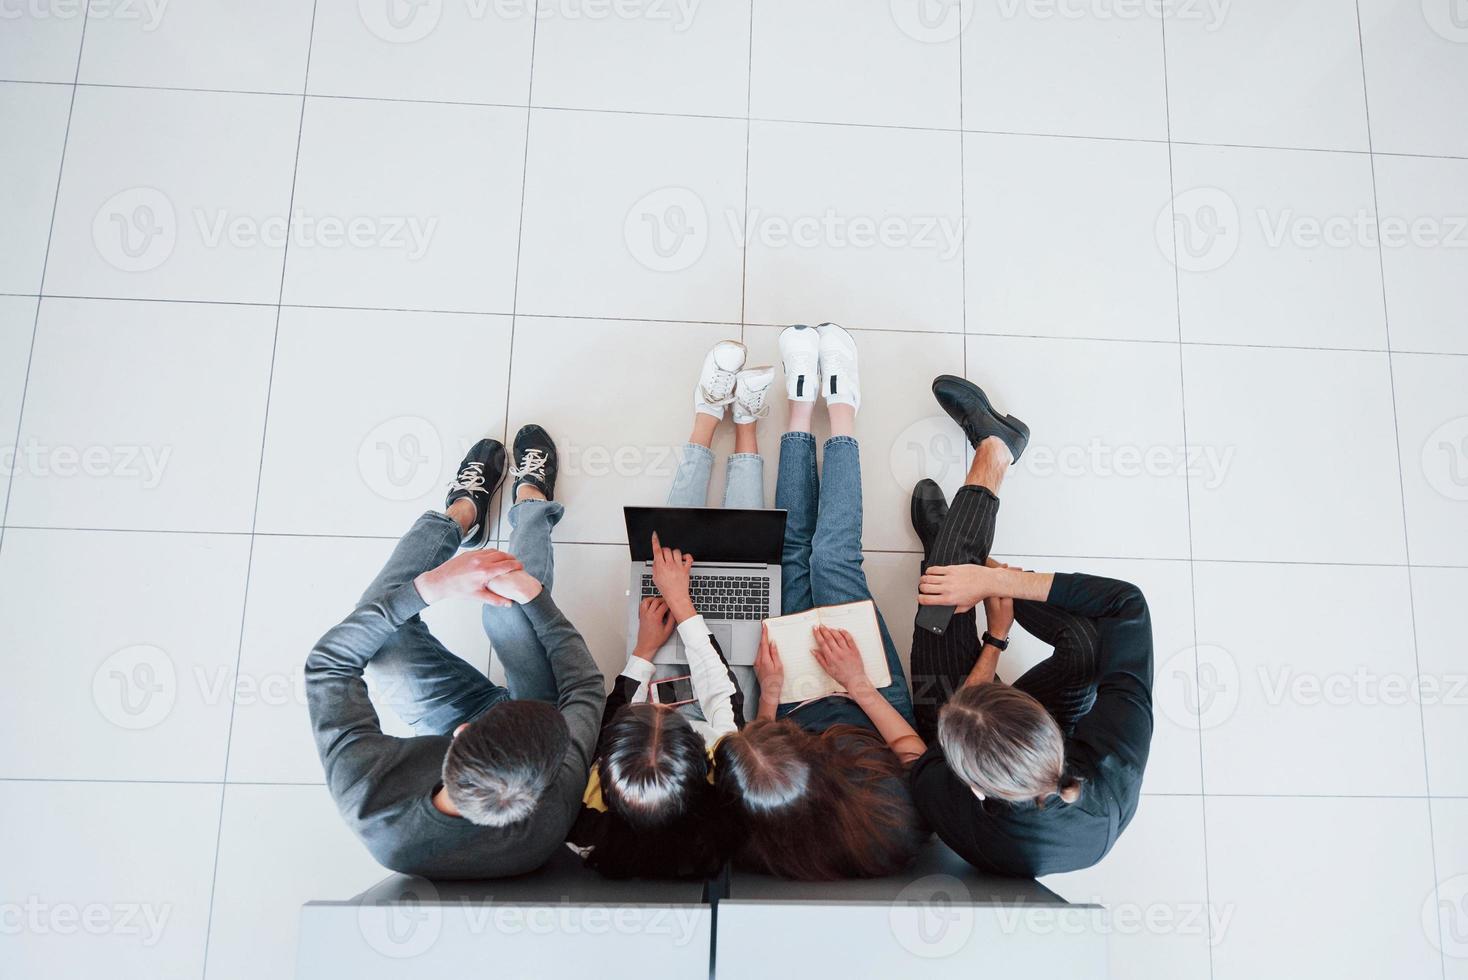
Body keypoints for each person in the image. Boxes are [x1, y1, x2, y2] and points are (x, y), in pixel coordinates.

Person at [305, 426, 604, 879]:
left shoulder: (368, 797)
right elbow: (584, 687)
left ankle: (459, 515)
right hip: (528, 715)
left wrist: (430, 588)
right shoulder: (551, 805)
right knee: (510, 609)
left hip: (449, 725)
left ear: (462, 734)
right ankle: (530, 502)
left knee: (382, 638)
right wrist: (533, 596)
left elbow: (327, 665)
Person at [906, 375, 1154, 877]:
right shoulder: (1117, 756)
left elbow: (937, 744)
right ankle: (995, 457)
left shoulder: (968, 822)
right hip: (1020, 745)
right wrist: (994, 583)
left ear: (972, 786)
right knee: (1086, 642)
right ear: (1050, 733)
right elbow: (1126, 604)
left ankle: (953, 547)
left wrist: (995, 641)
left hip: (978, 741)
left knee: (939, 605)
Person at [712, 323, 926, 881]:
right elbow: (912, 754)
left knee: (790, 556)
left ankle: (800, 407)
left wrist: (770, 696)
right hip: (872, 708)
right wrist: (857, 683)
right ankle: (843, 404)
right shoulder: (888, 824)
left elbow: (757, 755)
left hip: (791, 714)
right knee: (832, 558)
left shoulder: (780, 836)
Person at [567, 340, 767, 878]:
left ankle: (707, 416)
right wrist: (686, 607)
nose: (663, 707)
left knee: (666, 552)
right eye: (667, 718)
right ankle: (746, 425)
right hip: (725, 721)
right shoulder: (726, 790)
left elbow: (613, 718)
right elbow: (723, 706)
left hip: (665, 717)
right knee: (740, 564)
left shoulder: (585, 818)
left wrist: (643, 651)